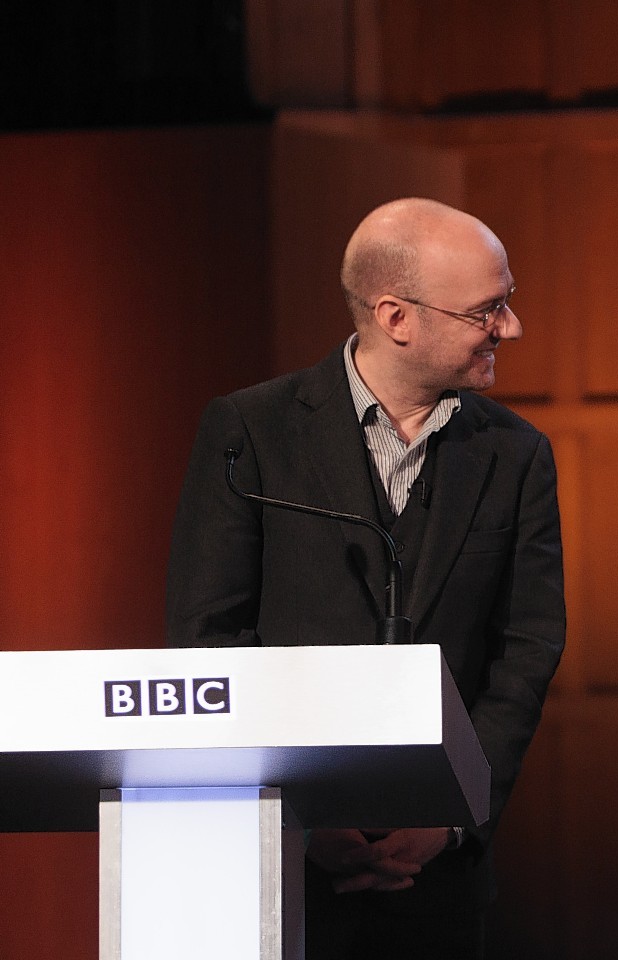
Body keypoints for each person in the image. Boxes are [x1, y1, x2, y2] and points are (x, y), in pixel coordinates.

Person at [166, 197, 565, 959]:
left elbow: (527, 647)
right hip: (284, 866)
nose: (510, 327)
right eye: (491, 308)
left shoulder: (516, 454)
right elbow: (208, 639)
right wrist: (301, 818)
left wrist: (451, 815)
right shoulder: (249, 433)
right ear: (396, 316)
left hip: (439, 875)